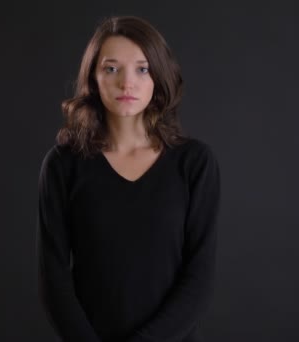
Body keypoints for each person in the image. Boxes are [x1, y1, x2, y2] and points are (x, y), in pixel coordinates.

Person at [36, 16, 221, 342]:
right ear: (93, 78)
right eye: (111, 69)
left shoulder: (194, 163)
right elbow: (53, 279)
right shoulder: (62, 166)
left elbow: (199, 277)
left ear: (159, 77)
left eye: (142, 68)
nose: (127, 83)